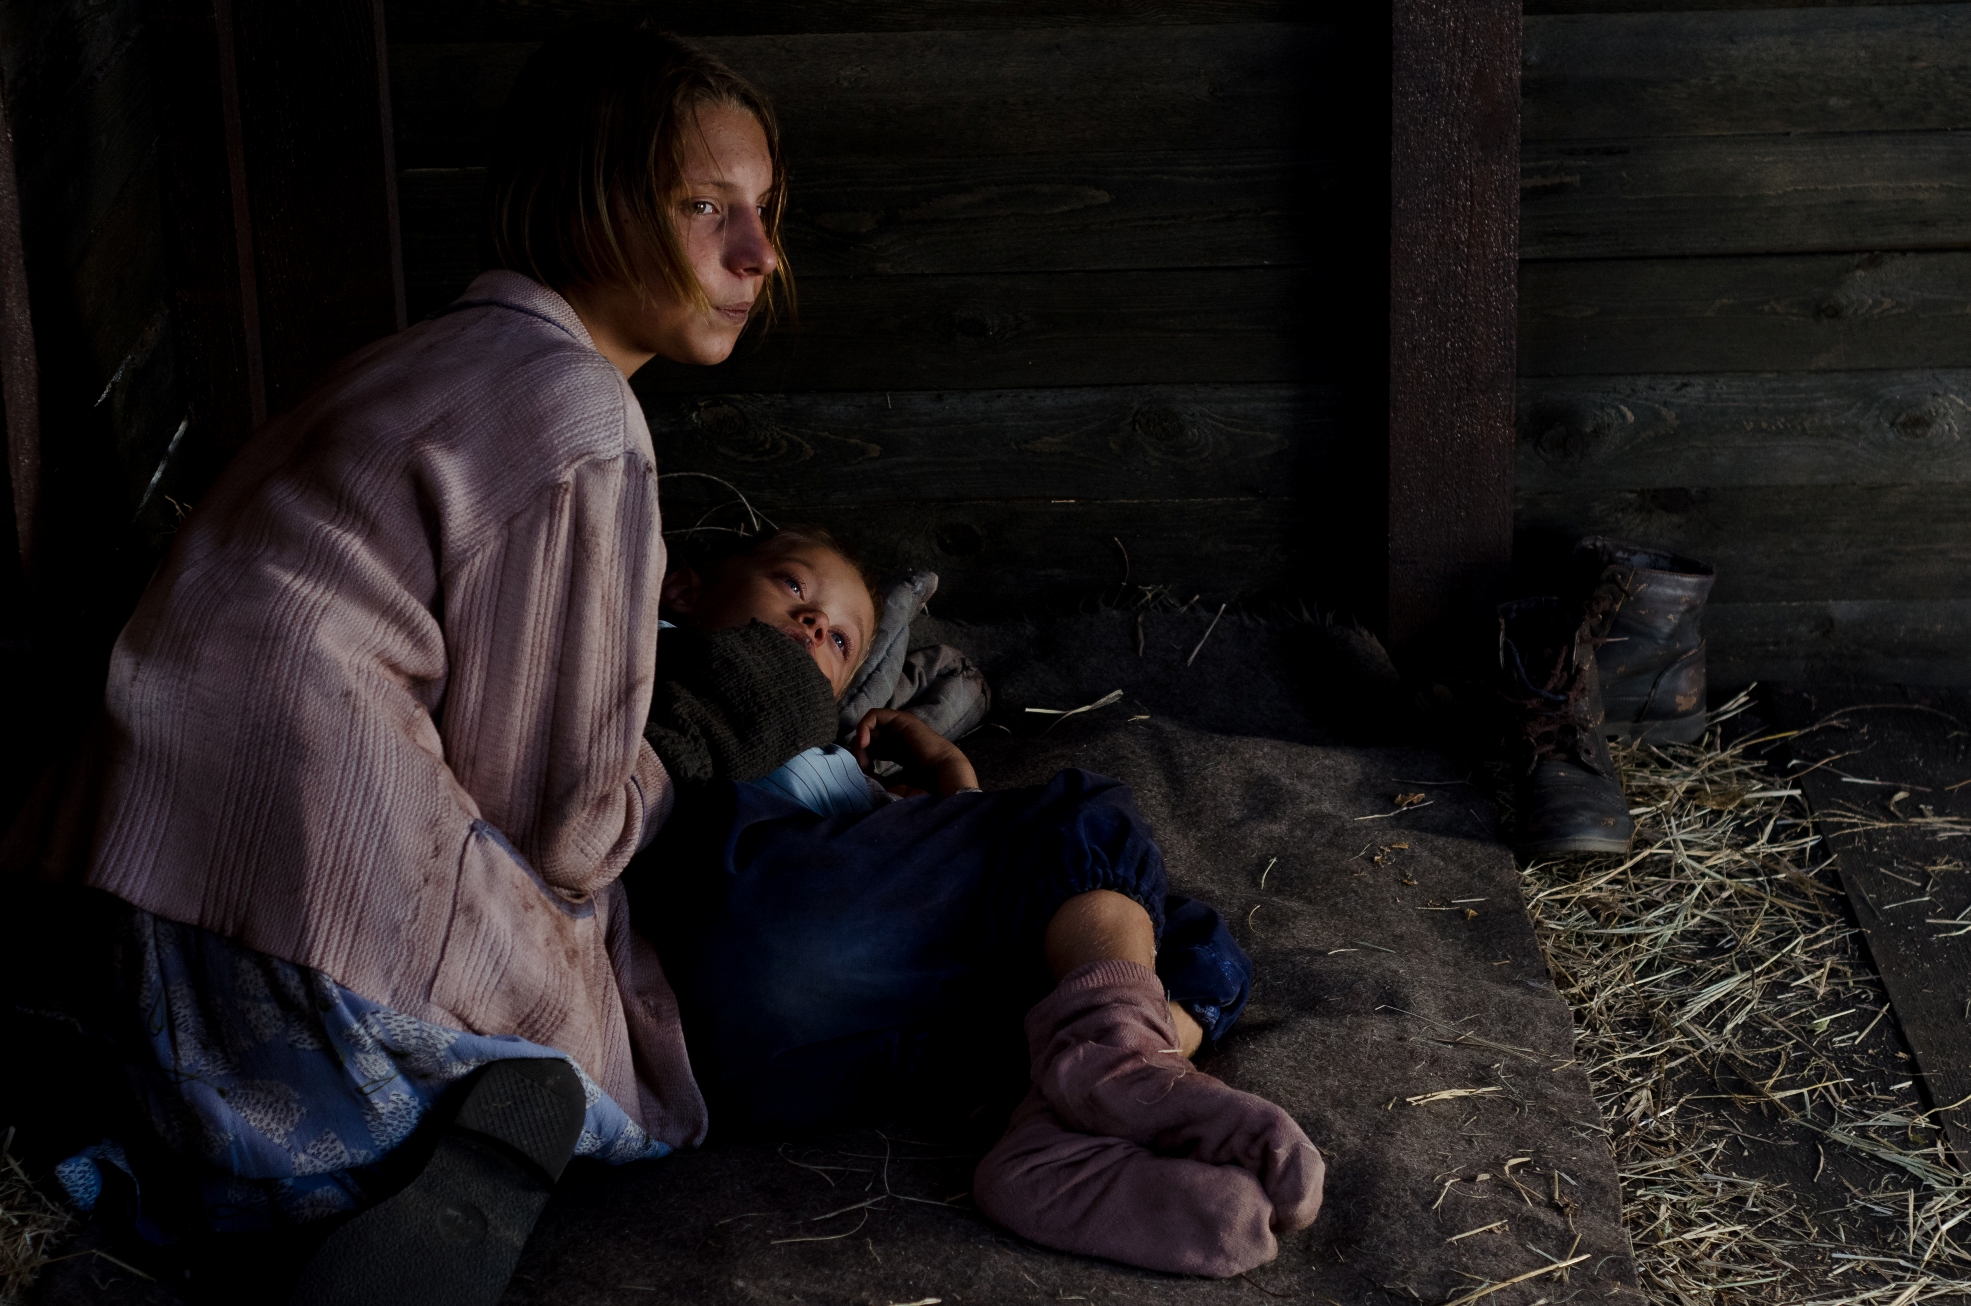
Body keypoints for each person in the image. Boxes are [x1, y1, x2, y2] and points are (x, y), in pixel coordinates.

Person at [636, 525, 1326, 1277]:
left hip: (786, 1074)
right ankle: (1114, 1066)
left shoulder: (835, 763)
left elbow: (949, 894)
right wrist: (958, 797)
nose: (813, 623)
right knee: (1083, 821)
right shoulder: (681, 671)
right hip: (743, 934)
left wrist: (950, 786)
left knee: (1185, 937)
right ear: (684, 589)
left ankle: (1055, 1128)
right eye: (793, 585)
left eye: (839, 641)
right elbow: (1002, 862)